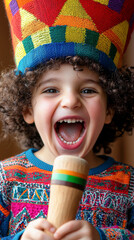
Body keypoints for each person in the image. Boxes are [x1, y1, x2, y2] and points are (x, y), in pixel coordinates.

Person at [0, 0, 134, 239]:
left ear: (110, 108)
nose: (70, 101)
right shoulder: (5, 179)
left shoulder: (129, 185)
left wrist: (103, 237)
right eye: (51, 90)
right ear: (26, 109)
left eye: (88, 90)